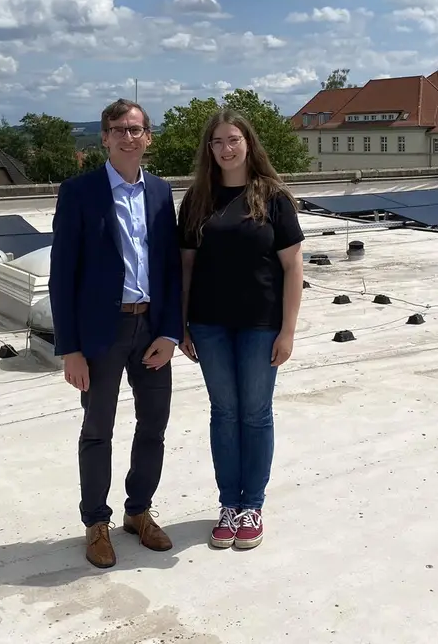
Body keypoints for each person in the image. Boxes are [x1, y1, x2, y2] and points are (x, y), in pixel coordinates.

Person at [49, 99, 183, 569]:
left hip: (151, 328)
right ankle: (96, 522)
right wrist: (70, 349)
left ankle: (139, 512)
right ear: (104, 137)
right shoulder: (79, 192)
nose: (129, 137)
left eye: (137, 129)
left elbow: (170, 269)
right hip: (101, 333)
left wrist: (170, 331)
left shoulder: (162, 193)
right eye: (119, 129)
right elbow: (61, 276)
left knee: (153, 426)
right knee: (97, 430)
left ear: (149, 137)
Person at [177, 109, 304, 550]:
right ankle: (228, 505)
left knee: (255, 414)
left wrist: (287, 331)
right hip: (209, 325)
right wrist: (182, 324)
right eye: (217, 142)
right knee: (224, 414)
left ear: (248, 143)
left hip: (260, 326)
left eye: (233, 140)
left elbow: (292, 267)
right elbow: (186, 266)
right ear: (208, 150)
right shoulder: (197, 198)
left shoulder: (273, 197)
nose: (226, 149)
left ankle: (253, 505)